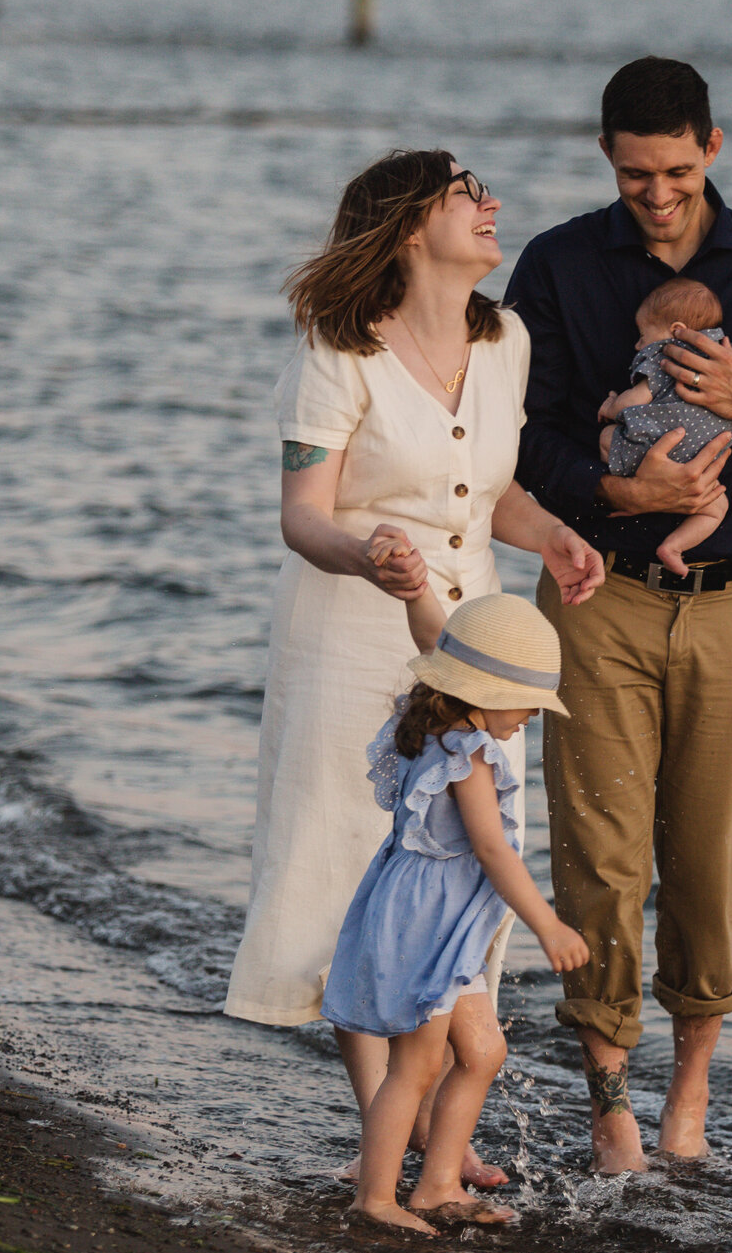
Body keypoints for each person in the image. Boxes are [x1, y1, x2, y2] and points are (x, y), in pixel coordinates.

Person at [226, 149, 605, 1189]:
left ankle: (439, 1113)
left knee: (469, 853)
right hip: (349, 632)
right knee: (349, 860)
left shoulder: (505, 340)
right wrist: (368, 553)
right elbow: (302, 515)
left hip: (472, 641)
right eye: (464, 193)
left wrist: (554, 534)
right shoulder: (338, 348)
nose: (491, 204)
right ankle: (390, 1123)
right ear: (407, 228)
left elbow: (488, 494)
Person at [507, 57, 732, 1173]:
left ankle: (689, 1092)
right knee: (598, 861)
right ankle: (610, 1100)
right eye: (631, 175)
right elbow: (518, 434)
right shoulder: (558, 264)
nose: (654, 195)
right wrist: (619, 492)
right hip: (594, 598)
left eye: (674, 171)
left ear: (713, 146)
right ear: (605, 157)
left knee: (708, 862)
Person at [324, 592, 592, 1234]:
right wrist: (547, 924)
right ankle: (377, 1197)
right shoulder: (466, 754)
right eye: (526, 703)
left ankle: (439, 1185)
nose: (531, 717)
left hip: (443, 924)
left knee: (483, 1050)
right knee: (414, 1067)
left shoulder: (433, 728)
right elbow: (493, 850)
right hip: (426, 927)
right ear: (484, 693)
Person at [594, 276, 732, 578]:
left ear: (676, 330)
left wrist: (610, 406)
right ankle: (673, 547)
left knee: (607, 437)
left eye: (642, 335)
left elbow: (634, 401)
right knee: (716, 508)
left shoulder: (661, 355)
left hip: (650, 450)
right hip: (701, 464)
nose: (638, 344)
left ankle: (640, 488)